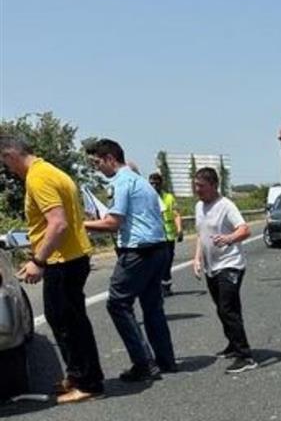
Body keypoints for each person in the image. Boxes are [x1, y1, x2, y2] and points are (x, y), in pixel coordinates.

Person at [0, 135, 105, 403]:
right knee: (64, 319)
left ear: (10, 155)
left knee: (70, 323)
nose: (7, 169)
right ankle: (78, 374)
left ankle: (88, 383)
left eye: (5, 162)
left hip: (63, 260)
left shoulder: (39, 178)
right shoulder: (52, 171)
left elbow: (57, 224)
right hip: (71, 256)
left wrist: (38, 260)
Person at [84, 138, 177, 381]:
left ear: (109, 159)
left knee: (118, 303)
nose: (98, 170)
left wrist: (79, 225)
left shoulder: (122, 182)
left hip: (138, 252)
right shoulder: (141, 181)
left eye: (97, 163)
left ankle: (143, 363)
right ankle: (166, 360)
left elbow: (114, 223)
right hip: (158, 249)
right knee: (152, 306)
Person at [191, 167, 257, 373]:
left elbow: (245, 230)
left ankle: (245, 356)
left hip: (230, 265)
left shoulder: (226, 205)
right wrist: (197, 258)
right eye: (195, 185)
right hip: (212, 266)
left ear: (213, 185)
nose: (197, 189)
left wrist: (229, 238)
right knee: (221, 309)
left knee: (229, 309)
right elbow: (201, 235)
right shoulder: (199, 207)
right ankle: (233, 344)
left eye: (201, 186)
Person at [148, 172, 183, 296]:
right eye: (151, 183)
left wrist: (179, 230)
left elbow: (176, 214)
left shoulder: (169, 198)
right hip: (153, 236)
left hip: (168, 235)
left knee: (167, 261)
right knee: (156, 262)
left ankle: (166, 285)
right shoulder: (146, 198)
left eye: (156, 183)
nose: (154, 186)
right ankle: (157, 286)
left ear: (161, 184)